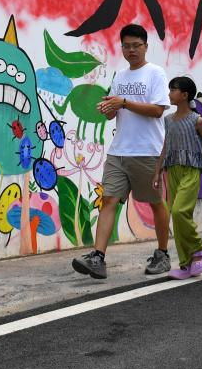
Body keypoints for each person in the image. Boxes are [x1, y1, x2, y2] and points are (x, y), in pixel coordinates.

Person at [71, 24, 171, 279]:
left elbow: (158, 110)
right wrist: (108, 109)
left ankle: (162, 253)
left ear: (146, 46)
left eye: (136, 45)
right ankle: (98, 257)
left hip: (147, 151)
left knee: (155, 202)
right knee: (109, 200)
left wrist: (124, 102)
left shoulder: (155, 73)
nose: (131, 50)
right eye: (126, 46)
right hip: (119, 150)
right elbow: (113, 112)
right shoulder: (120, 76)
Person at [151, 76, 202, 278]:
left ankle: (200, 247)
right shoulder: (168, 120)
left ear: (184, 95)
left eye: (173, 90)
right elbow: (166, 146)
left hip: (191, 170)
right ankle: (185, 263)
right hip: (172, 169)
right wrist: (157, 171)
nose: (169, 93)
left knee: (179, 211)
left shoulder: (196, 120)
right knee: (177, 217)